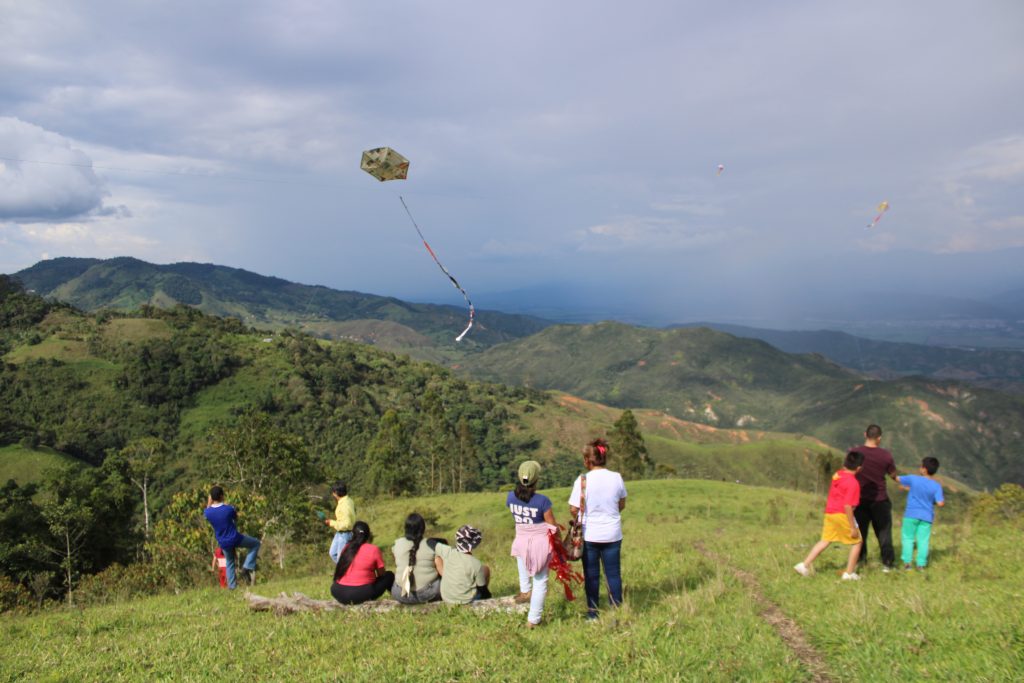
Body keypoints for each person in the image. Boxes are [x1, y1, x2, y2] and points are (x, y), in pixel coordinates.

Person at [569, 437, 627, 620]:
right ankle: (616, 611)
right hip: (613, 533)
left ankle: (593, 613)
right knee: (613, 574)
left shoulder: (583, 480)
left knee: (592, 575)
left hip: (590, 534)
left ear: (587, 460)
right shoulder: (616, 477)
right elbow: (621, 504)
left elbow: (573, 509)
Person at [794, 450, 865, 580]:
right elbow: (848, 506)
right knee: (857, 542)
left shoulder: (837, 475)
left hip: (830, 513)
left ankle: (804, 565)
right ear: (859, 468)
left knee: (825, 540)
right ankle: (849, 574)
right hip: (842, 514)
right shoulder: (853, 483)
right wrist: (852, 527)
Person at [507, 460, 558, 628]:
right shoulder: (543, 501)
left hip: (521, 539)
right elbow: (552, 526)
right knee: (541, 580)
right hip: (540, 543)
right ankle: (533, 619)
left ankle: (524, 591)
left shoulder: (511, 497)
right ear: (537, 479)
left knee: (522, 564)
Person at [852, 424, 900, 571]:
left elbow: (848, 471)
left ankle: (860, 561)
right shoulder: (886, 455)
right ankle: (888, 564)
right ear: (879, 439)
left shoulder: (855, 452)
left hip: (859, 499)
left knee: (861, 532)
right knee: (884, 532)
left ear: (865, 434)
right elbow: (893, 475)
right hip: (880, 499)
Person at [203, 485, 261, 589]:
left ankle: (232, 587)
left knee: (229, 563)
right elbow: (235, 517)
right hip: (235, 538)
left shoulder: (208, 512)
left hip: (223, 543)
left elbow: (206, 513)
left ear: (211, 498)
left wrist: (209, 502)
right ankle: (247, 567)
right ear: (222, 496)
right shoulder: (229, 509)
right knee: (255, 543)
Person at [330, 521, 395, 605]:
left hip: (338, 592)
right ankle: (396, 599)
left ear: (352, 535)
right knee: (389, 575)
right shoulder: (373, 549)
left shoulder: (346, 548)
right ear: (368, 535)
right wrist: (370, 576)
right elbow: (381, 573)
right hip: (362, 594)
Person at [897, 457, 945, 570]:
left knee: (908, 538)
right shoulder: (936, 486)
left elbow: (898, 479)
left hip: (911, 514)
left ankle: (907, 564)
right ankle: (921, 565)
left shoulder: (913, 479)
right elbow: (941, 503)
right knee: (923, 541)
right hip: (927, 516)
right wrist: (931, 501)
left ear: (924, 469)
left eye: (921, 466)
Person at [429, 525, 491, 604]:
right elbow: (483, 589)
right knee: (486, 569)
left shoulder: (448, 551)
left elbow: (429, 541)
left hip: (446, 598)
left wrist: (443, 542)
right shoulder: (476, 563)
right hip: (465, 601)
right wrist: (488, 596)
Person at [391, 513, 444, 604]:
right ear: (422, 528)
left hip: (400, 594)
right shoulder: (431, 545)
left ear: (406, 528)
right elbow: (442, 572)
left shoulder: (397, 544)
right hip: (427, 594)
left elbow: (397, 562)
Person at [324, 481, 355, 564]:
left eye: (333, 492)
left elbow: (346, 524)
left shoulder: (344, 505)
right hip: (340, 533)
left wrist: (331, 523)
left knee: (341, 559)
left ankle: (345, 574)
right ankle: (344, 571)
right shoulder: (347, 500)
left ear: (336, 493)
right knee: (333, 553)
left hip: (345, 533)